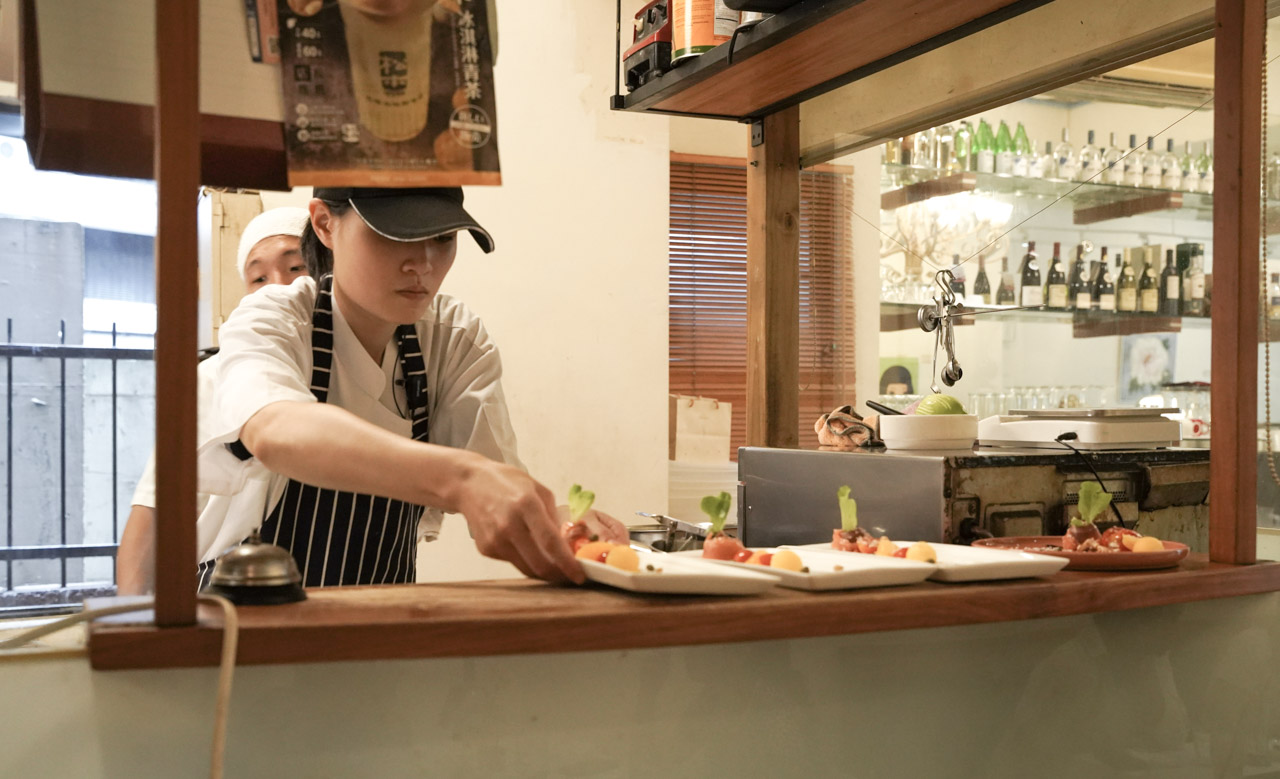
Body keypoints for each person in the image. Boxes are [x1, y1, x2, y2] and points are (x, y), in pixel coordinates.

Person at [193, 187, 625, 588]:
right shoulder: (274, 319)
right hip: (247, 619)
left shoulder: (452, 339)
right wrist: (460, 479)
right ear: (325, 224)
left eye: (442, 239)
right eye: (393, 235)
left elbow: (494, 480)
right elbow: (277, 431)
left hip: (384, 615)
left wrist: (565, 525)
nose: (422, 264)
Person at [117, 207, 314, 595]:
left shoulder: (383, 363)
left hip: (370, 612)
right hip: (230, 602)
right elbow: (151, 520)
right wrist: (133, 629)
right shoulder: (216, 376)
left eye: (296, 268)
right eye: (259, 277)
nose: (278, 286)